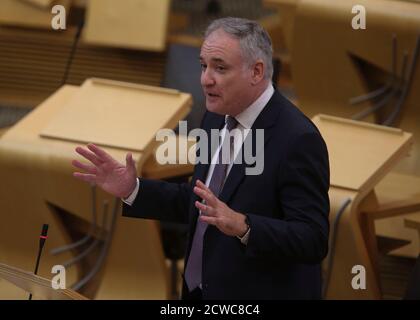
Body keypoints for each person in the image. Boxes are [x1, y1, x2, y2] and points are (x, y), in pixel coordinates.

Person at [72, 17, 330, 300]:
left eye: (220, 68)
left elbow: (312, 239)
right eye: (203, 65)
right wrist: (133, 189)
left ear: (256, 71)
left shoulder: (297, 139)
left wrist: (244, 225)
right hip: (199, 291)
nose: (205, 79)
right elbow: (198, 201)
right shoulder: (215, 118)